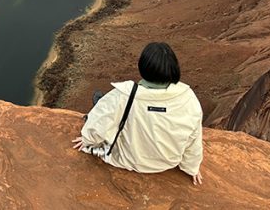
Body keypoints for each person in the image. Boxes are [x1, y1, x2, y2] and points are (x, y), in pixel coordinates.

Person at [71, 42, 204, 185]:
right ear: (173, 69)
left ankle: (100, 102)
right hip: (166, 163)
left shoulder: (123, 95)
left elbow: (99, 125)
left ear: (143, 67)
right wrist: (192, 167)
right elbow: (194, 137)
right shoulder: (188, 98)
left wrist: (87, 140)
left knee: (108, 109)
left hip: (127, 159)